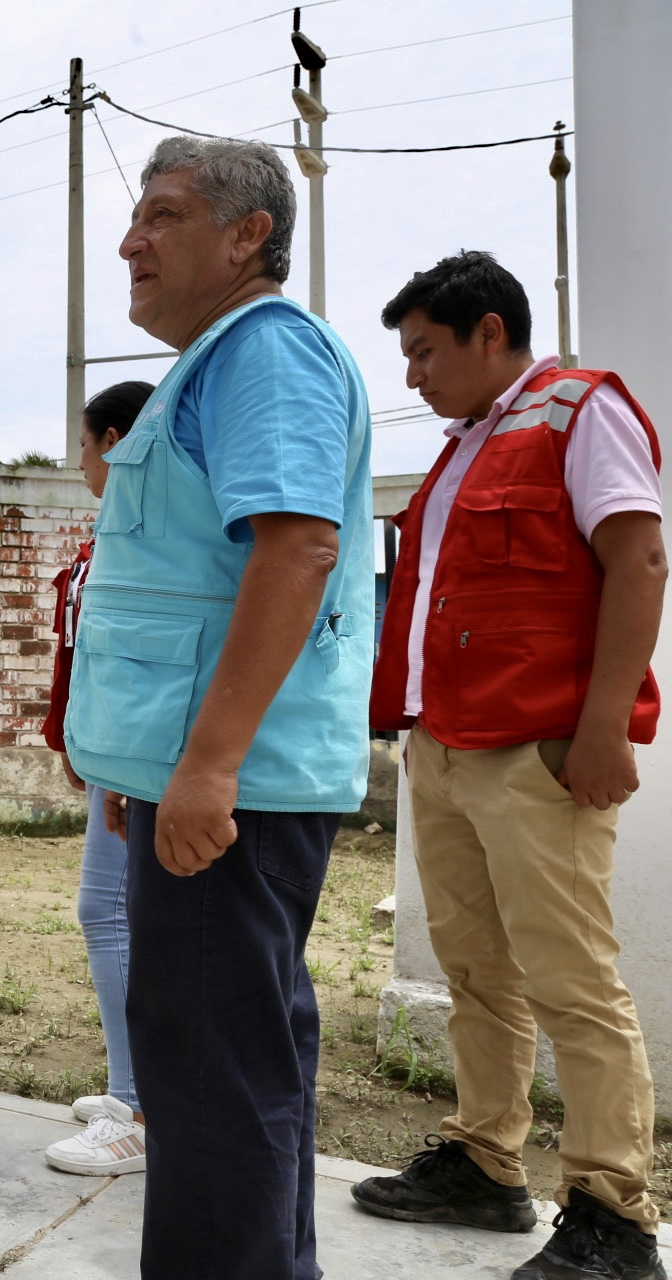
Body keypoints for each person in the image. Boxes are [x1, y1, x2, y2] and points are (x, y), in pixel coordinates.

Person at [66, 137, 373, 1280]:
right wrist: (146, 773)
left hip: (233, 788)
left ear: (247, 234)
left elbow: (296, 550)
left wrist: (205, 766)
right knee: (233, 1066)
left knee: (213, 1079)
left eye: (164, 215)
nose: (131, 241)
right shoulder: (219, 362)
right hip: (201, 780)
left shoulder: (267, 352)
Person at [353, 252, 666, 1280]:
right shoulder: (465, 449)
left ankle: (612, 1211)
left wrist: (606, 723)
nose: (413, 376)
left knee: (571, 977)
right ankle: (487, 1162)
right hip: (446, 743)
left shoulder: (578, 413)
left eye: (425, 351)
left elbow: (640, 558)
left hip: (536, 750)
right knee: (477, 968)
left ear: (490, 331)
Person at [35, 379, 153, 1179]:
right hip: (113, 756)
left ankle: (139, 1103)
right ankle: (135, 1089)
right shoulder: (117, 528)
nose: (79, 461)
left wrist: (116, 761)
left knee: (108, 913)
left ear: (113, 441)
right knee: (115, 913)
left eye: (83, 444)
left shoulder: (148, 533)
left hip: (135, 757)